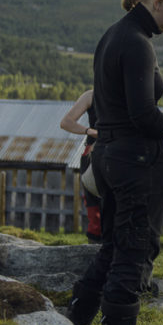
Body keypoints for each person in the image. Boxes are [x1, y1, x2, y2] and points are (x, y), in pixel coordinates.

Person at [67, 0, 163, 325]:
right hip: (135, 162)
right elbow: (143, 115)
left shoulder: (114, 35)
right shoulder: (138, 43)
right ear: (159, 2)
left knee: (112, 248)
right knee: (135, 251)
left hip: (107, 157)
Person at [60, 89, 102, 243]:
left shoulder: (127, 91)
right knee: (94, 205)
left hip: (121, 153)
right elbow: (66, 122)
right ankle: (95, 248)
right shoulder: (91, 95)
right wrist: (90, 131)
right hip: (93, 153)